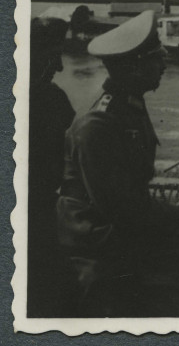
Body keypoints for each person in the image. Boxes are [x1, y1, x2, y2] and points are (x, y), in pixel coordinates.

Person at [56, 11, 179, 317]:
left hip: (119, 224)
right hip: (97, 238)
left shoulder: (128, 104)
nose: (163, 64)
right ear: (133, 66)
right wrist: (176, 216)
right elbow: (121, 206)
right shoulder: (98, 123)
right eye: (156, 57)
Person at [27, 17, 77, 317]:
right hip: (38, 228)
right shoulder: (51, 100)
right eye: (51, 55)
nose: (59, 66)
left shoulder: (53, 99)